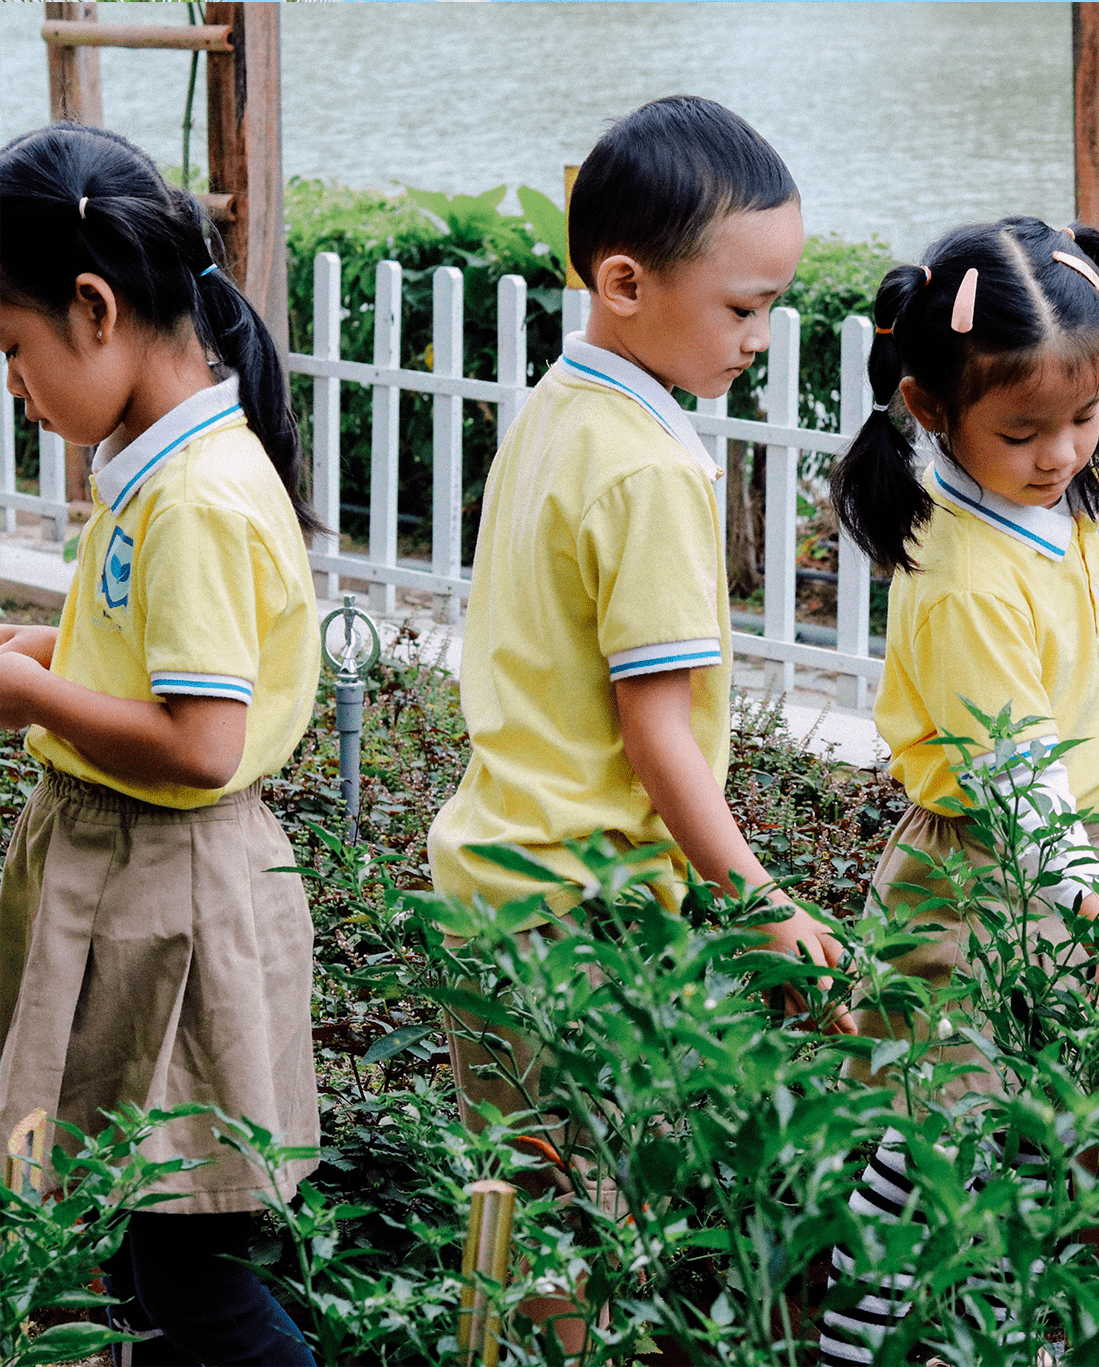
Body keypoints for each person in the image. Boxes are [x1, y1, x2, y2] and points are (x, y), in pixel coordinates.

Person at [424, 96, 848, 1340]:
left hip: (493, 871)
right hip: (587, 905)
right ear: (622, 280)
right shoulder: (653, 470)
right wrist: (760, 899)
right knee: (614, 1219)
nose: (761, 338)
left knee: (523, 1204)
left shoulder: (558, 407)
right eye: (742, 307)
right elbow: (658, 731)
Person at [820, 216, 1099, 1367]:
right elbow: (1013, 766)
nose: (1063, 449)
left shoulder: (1072, 503)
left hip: (1087, 851)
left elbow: (1095, 639)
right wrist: (1090, 905)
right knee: (937, 1132)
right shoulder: (960, 575)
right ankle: (867, 1343)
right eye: (1024, 430)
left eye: (1083, 415)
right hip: (981, 876)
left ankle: (1073, 1332)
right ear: (929, 409)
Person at [0, 123, 317, 1365]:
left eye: (15, 350)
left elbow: (197, 739)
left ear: (93, 308)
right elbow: (140, 657)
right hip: (136, 889)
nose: (15, 385)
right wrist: (41, 657)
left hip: (170, 902)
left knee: (177, 1268)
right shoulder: (158, 466)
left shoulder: (193, 497)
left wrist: (29, 701)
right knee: (127, 1253)